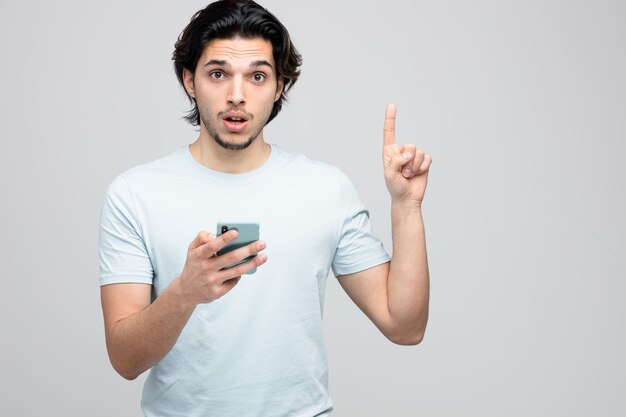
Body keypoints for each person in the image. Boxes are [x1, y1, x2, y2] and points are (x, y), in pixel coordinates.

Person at [99, 0, 432, 415]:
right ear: (189, 80)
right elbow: (124, 360)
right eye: (218, 74)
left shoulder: (325, 189)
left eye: (257, 76)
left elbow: (405, 327)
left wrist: (405, 205)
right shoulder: (135, 193)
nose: (236, 95)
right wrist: (185, 293)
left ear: (278, 87)